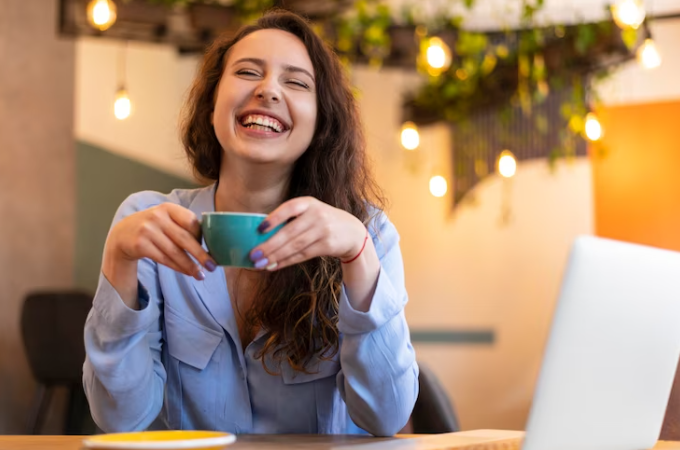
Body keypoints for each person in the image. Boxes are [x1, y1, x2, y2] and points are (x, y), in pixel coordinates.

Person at [83, 10, 418, 437]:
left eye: (295, 82)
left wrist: (357, 254)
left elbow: (386, 418)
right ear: (211, 106)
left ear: (320, 123)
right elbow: (119, 419)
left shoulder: (368, 234)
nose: (268, 90)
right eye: (247, 72)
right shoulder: (149, 226)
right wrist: (118, 259)